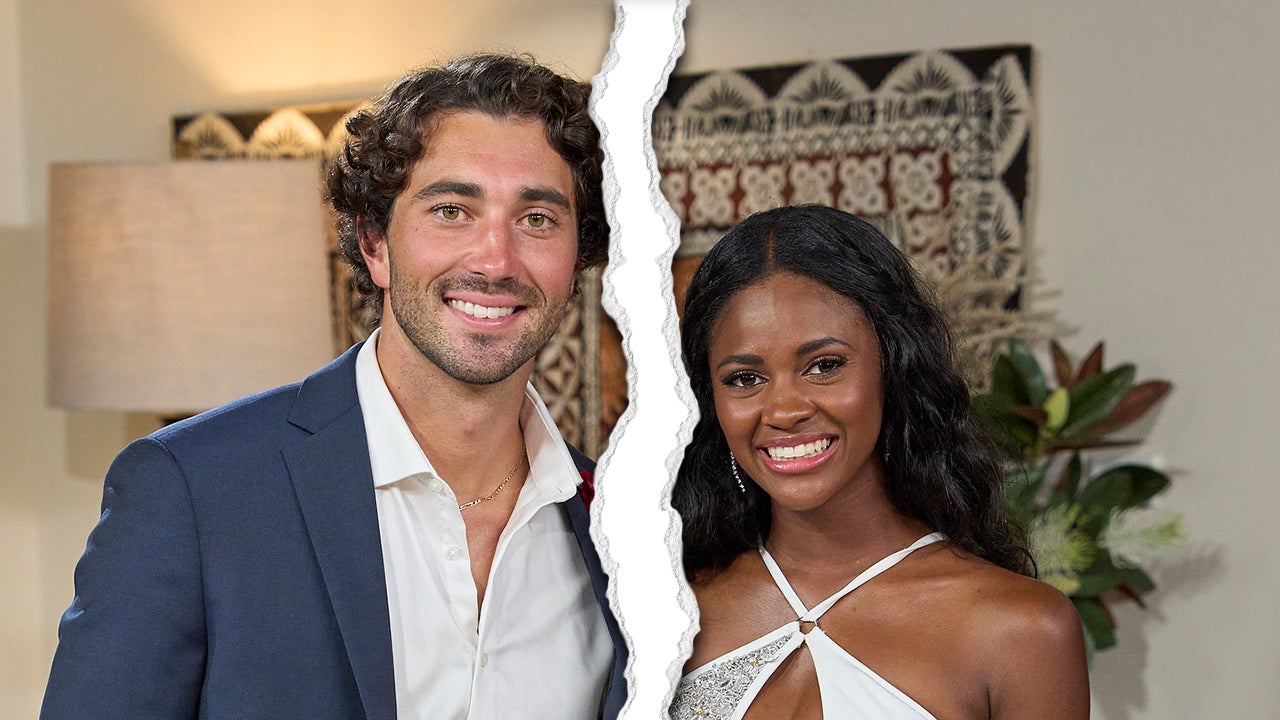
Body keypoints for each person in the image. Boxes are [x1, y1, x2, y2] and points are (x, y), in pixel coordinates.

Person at [41, 54, 626, 720]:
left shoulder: (625, 531)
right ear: (374, 243)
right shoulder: (192, 491)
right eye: (452, 211)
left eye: (538, 219)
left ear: (577, 260)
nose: (496, 260)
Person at [669, 205, 1088, 719]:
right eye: (744, 379)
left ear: (895, 367)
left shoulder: (1021, 629)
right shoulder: (668, 611)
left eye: (824, 365)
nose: (783, 411)